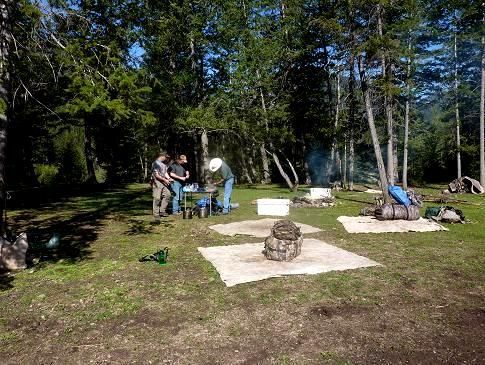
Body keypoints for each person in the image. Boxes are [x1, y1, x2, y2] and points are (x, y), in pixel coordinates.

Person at [151, 151, 173, 221]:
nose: (167, 159)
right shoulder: (155, 163)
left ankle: (162, 211)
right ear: (162, 156)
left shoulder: (163, 164)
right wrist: (165, 180)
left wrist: (169, 178)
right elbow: (156, 175)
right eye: (166, 158)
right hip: (156, 182)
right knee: (157, 198)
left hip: (163, 182)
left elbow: (165, 172)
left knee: (168, 195)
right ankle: (156, 214)